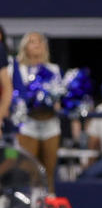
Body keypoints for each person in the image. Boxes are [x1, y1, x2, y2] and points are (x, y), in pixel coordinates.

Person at [7, 32, 62, 193]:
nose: (36, 44)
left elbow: (58, 97)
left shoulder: (53, 69)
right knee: (27, 168)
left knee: (49, 169)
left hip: (50, 123)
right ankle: (29, 207)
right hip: (27, 124)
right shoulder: (17, 69)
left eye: (39, 41)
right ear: (24, 47)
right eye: (32, 41)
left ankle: (49, 204)